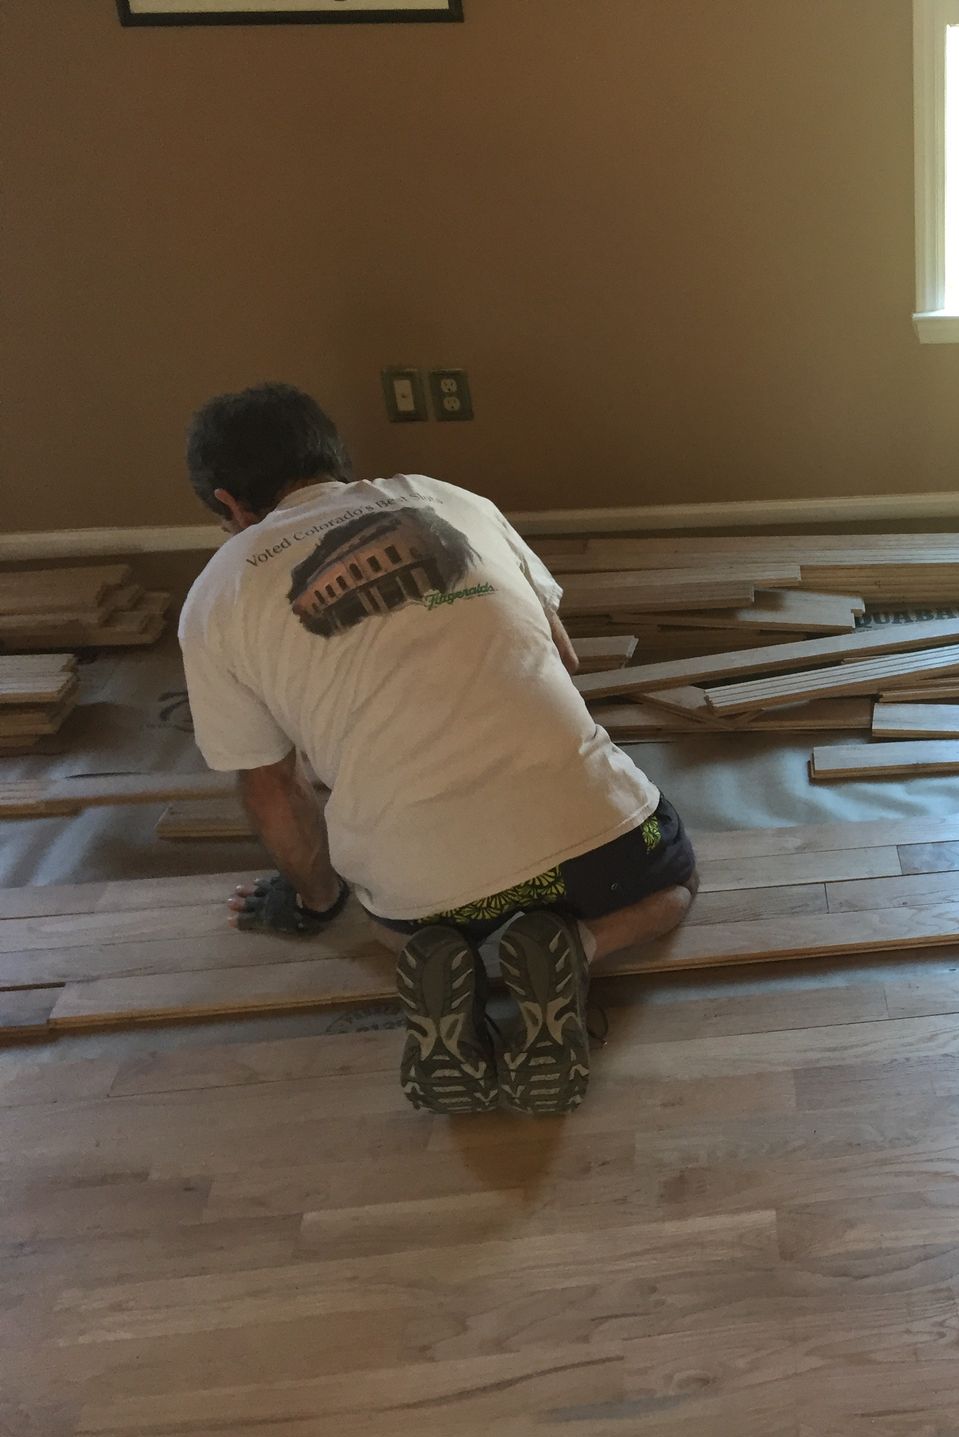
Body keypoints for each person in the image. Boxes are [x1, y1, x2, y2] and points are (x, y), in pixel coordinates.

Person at [177, 382, 697, 1117]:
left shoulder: (214, 599)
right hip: (598, 841)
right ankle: (575, 949)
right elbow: (564, 657)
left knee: (396, 924)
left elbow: (271, 789)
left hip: (426, 890)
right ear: (334, 458)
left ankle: (451, 963)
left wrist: (316, 901)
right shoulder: (448, 499)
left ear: (231, 505)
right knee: (671, 889)